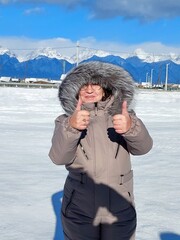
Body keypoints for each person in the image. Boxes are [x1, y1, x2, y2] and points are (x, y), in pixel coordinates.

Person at [49, 61, 153, 240]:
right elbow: (58, 157)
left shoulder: (123, 116)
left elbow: (143, 148)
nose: (89, 90)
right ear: (74, 89)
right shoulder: (65, 120)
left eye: (95, 84)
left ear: (106, 88)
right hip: (79, 209)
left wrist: (131, 128)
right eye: (83, 85)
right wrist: (71, 127)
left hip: (120, 208)